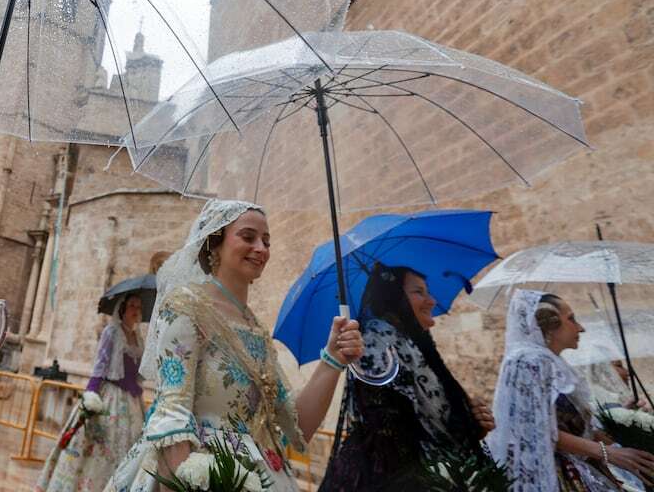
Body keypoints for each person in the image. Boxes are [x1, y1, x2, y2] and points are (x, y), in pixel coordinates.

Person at [106, 200, 364, 492]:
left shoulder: (255, 329)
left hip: (261, 475)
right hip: (199, 473)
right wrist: (187, 482)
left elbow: (298, 423)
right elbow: (172, 413)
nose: (262, 248)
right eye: (248, 236)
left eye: (266, 241)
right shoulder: (185, 306)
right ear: (214, 243)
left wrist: (332, 360)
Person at [319, 263, 495, 490]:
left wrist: (471, 425)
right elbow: (395, 436)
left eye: (427, 291)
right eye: (418, 292)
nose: (431, 301)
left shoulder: (410, 344)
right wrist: (464, 427)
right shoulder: (377, 344)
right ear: (394, 298)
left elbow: (430, 419)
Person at [487, 290, 654, 491]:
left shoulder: (551, 363)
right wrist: (607, 452)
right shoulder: (531, 361)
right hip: (556, 472)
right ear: (550, 323)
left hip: (580, 465)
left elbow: (577, 426)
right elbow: (540, 429)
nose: (581, 328)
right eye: (572, 319)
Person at [37, 292, 146, 492]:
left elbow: (139, 371)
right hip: (110, 397)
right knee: (95, 449)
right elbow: (100, 366)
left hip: (133, 402)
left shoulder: (138, 337)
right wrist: (91, 397)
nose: (135, 311)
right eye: (132, 306)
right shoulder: (111, 332)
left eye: (139, 307)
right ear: (122, 308)